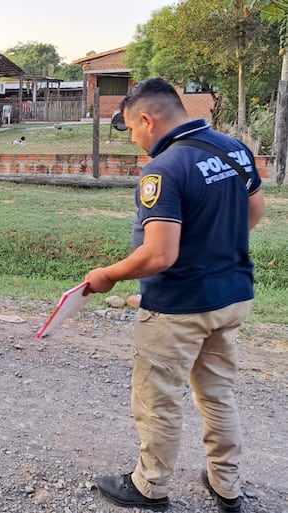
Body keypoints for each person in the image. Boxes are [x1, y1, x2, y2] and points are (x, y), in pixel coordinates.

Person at [84, 77, 265, 513]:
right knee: (217, 393)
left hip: (179, 307)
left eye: (132, 129)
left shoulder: (163, 169)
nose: (134, 140)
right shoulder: (233, 149)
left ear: (148, 119)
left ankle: (149, 487)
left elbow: (159, 254)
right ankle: (226, 484)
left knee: (158, 397)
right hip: (232, 295)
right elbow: (254, 214)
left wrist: (108, 275)